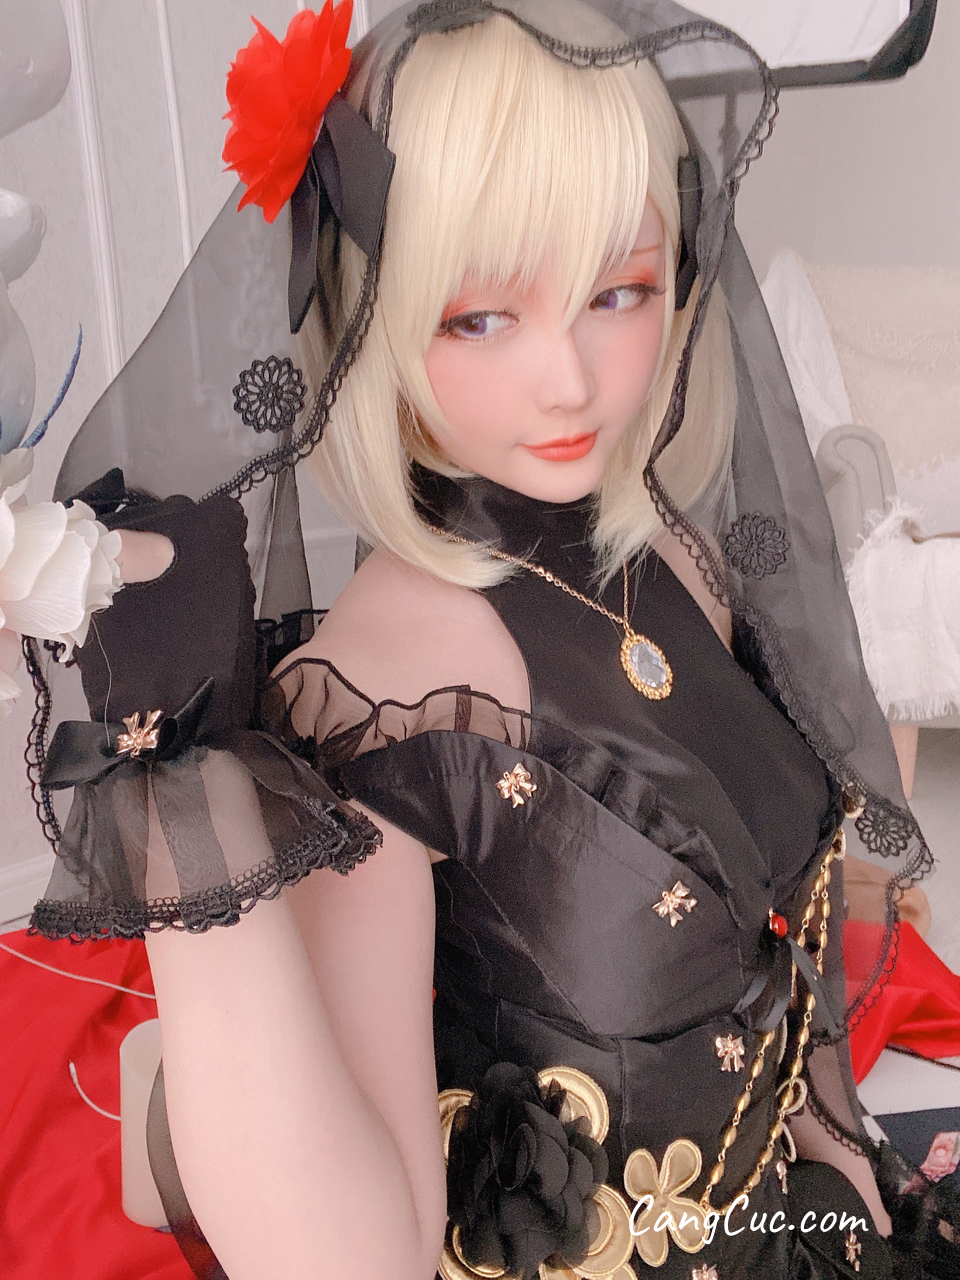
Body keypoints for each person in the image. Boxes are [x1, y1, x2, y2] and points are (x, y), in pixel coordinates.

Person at [8, 1, 959, 1277]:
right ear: (375, 309)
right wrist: (173, 784)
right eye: (481, 316)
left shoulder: (675, 550)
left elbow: (796, 989)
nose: (571, 379)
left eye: (620, 291)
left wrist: (852, 1197)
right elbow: (350, 1260)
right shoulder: (383, 687)